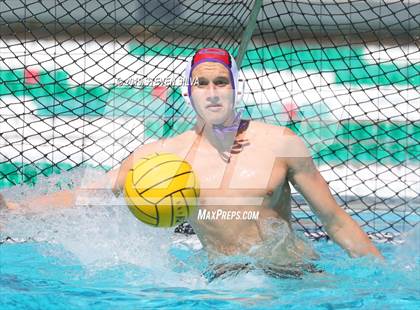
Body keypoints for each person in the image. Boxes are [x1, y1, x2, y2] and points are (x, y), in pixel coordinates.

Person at [1, 48, 382, 278]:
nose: (213, 93)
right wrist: (15, 208)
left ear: (235, 86)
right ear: (189, 91)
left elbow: (335, 220)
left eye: (221, 82)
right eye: (202, 83)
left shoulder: (282, 143)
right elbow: (89, 194)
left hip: (297, 276)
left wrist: (381, 276)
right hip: (224, 279)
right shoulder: (159, 157)